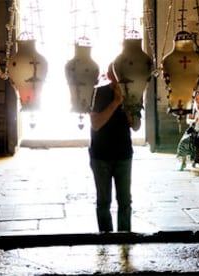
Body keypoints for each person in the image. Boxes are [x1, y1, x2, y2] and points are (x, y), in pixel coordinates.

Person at [88, 63, 141, 232]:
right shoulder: (99, 93)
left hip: (123, 154)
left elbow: (136, 126)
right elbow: (96, 124)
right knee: (104, 201)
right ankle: (106, 237)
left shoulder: (132, 94)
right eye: (116, 74)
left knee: (125, 201)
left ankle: (124, 237)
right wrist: (116, 102)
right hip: (101, 155)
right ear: (109, 75)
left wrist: (127, 108)